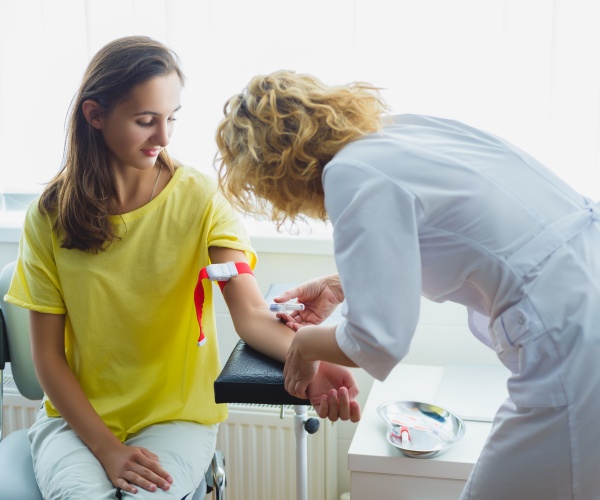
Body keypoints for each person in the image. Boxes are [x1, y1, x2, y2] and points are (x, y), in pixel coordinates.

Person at [215, 69, 600, 499]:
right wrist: (343, 284)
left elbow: (378, 341)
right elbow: (458, 235)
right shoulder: (400, 134)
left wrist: (306, 347)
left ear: (273, 173)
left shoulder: (351, 175)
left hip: (574, 341)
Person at [4, 40, 360, 499]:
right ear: (95, 115)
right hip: (75, 423)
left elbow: (250, 315)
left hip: (175, 420)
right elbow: (48, 358)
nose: (163, 138)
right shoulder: (48, 216)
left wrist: (311, 359)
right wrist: (108, 448)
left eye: (171, 118)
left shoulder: (200, 199)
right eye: (145, 121)